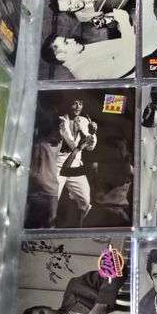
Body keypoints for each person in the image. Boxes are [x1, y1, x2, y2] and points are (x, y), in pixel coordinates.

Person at [41, 8, 135, 79]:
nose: (72, 40)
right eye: (66, 43)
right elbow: (128, 61)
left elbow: (118, 49)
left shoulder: (79, 52)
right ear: (61, 56)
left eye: (67, 39)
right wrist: (124, 21)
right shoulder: (84, 73)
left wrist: (123, 30)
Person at [57, 97, 96, 227]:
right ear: (69, 104)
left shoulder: (84, 121)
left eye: (81, 103)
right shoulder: (61, 120)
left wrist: (93, 133)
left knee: (85, 202)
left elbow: (90, 147)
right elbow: (73, 145)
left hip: (75, 165)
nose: (78, 106)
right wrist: (83, 139)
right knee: (52, 200)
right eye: (75, 103)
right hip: (59, 165)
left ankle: (78, 228)